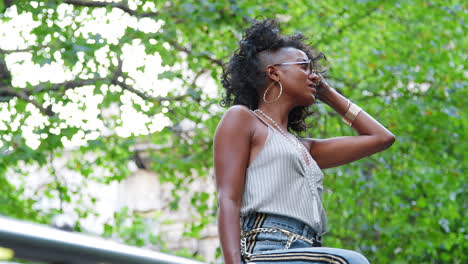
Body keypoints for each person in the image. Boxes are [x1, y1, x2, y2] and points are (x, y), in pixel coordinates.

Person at [213, 19, 395, 264]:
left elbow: (381, 138)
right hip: (266, 251)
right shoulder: (242, 119)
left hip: (308, 250)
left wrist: (328, 93)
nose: (314, 76)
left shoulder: (305, 148)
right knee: (351, 262)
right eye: (304, 67)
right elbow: (228, 198)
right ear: (274, 72)